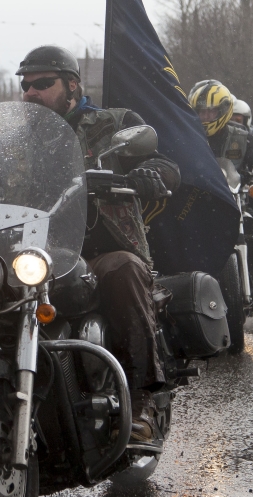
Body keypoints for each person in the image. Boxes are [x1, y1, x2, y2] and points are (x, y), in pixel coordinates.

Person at [17, 45, 180, 444]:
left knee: (123, 271)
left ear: (72, 85)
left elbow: (166, 165)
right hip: (36, 252)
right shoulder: (19, 137)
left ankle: (142, 402)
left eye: (43, 84)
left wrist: (147, 174)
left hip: (101, 248)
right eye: (25, 86)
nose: (31, 93)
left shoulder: (113, 123)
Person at [188, 80, 253, 312]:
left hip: (234, 197)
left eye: (211, 111)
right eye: (201, 111)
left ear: (223, 111)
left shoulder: (242, 136)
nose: (206, 116)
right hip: (196, 200)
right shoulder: (188, 135)